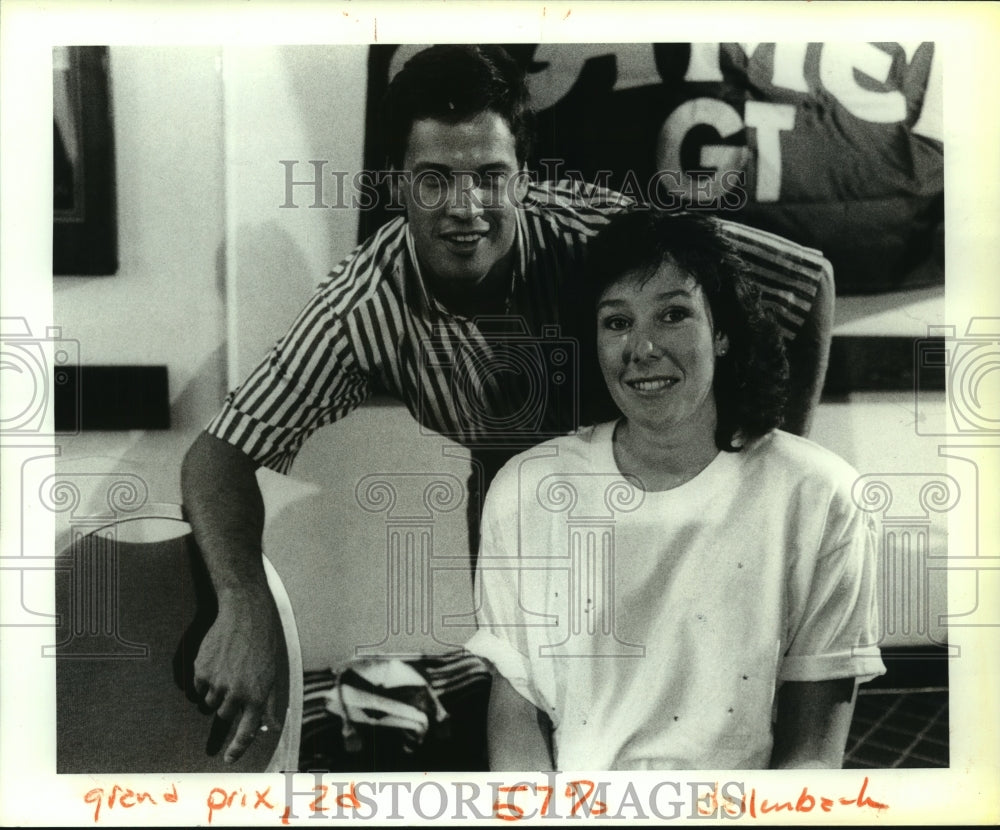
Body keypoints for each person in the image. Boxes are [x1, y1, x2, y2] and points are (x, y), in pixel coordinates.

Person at [181, 45, 831, 764]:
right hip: (509, 487)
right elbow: (219, 454)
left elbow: (807, 281)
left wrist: (756, 471)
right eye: (434, 181)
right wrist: (243, 605)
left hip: (654, 474)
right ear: (396, 183)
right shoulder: (360, 306)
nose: (465, 209)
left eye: (490, 177)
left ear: (524, 179)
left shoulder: (594, 237)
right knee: (529, 713)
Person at [467, 209, 885, 770]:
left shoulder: (822, 496)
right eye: (617, 322)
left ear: (724, 334)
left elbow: (812, 753)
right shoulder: (525, 491)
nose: (642, 348)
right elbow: (517, 721)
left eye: (672, 314)